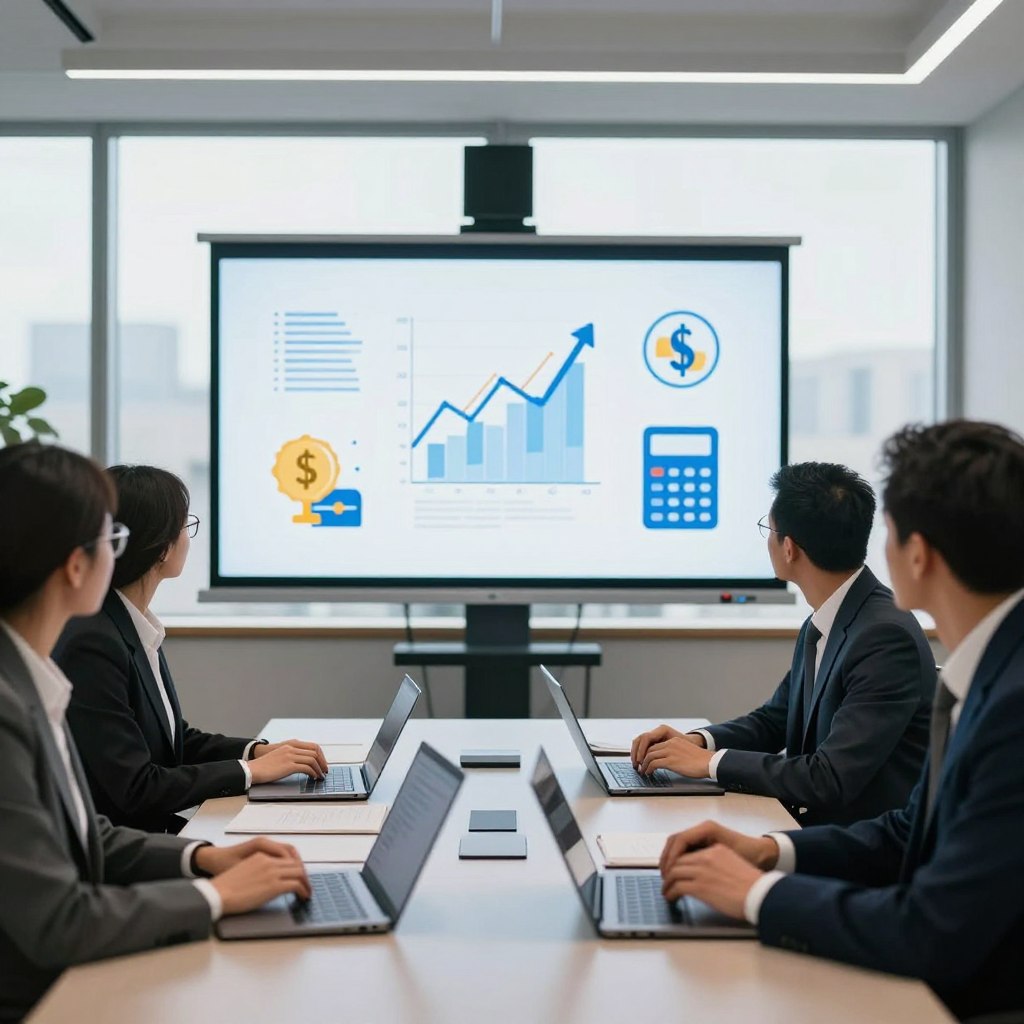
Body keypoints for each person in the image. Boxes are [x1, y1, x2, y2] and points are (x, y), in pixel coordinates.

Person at [659, 421, 1024, 1021]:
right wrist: (767, 851)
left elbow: (931, 932)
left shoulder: (1010, 706)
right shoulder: (990, 671)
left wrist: (756, 894)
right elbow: (907, 831)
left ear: (917, 554)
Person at [0, 443, 313, 1022]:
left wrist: (204, 859)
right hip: (46, 998)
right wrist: (215, 896)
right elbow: (59, 921)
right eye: (108, 538)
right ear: (75, 566)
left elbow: (87, 835)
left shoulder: (29, 677)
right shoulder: (13, 702)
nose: (117, 551)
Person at [632, 461, 935, 826]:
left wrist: (709, 764)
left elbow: (829, 777)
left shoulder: (884, 637)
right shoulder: (829, 618)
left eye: (769, 530)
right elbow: (774, 720)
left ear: (789, 548)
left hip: (857, 843)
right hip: (814, 827)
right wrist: (697, 742)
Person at [54, 465, 328, 835]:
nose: (188, 537)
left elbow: (173, 742)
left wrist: (256, 752)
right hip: (129, 850)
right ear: (161, 547)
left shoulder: (131, 624)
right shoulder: (93, 642)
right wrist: (250, 772)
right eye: (185, 526)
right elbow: (136, 788)